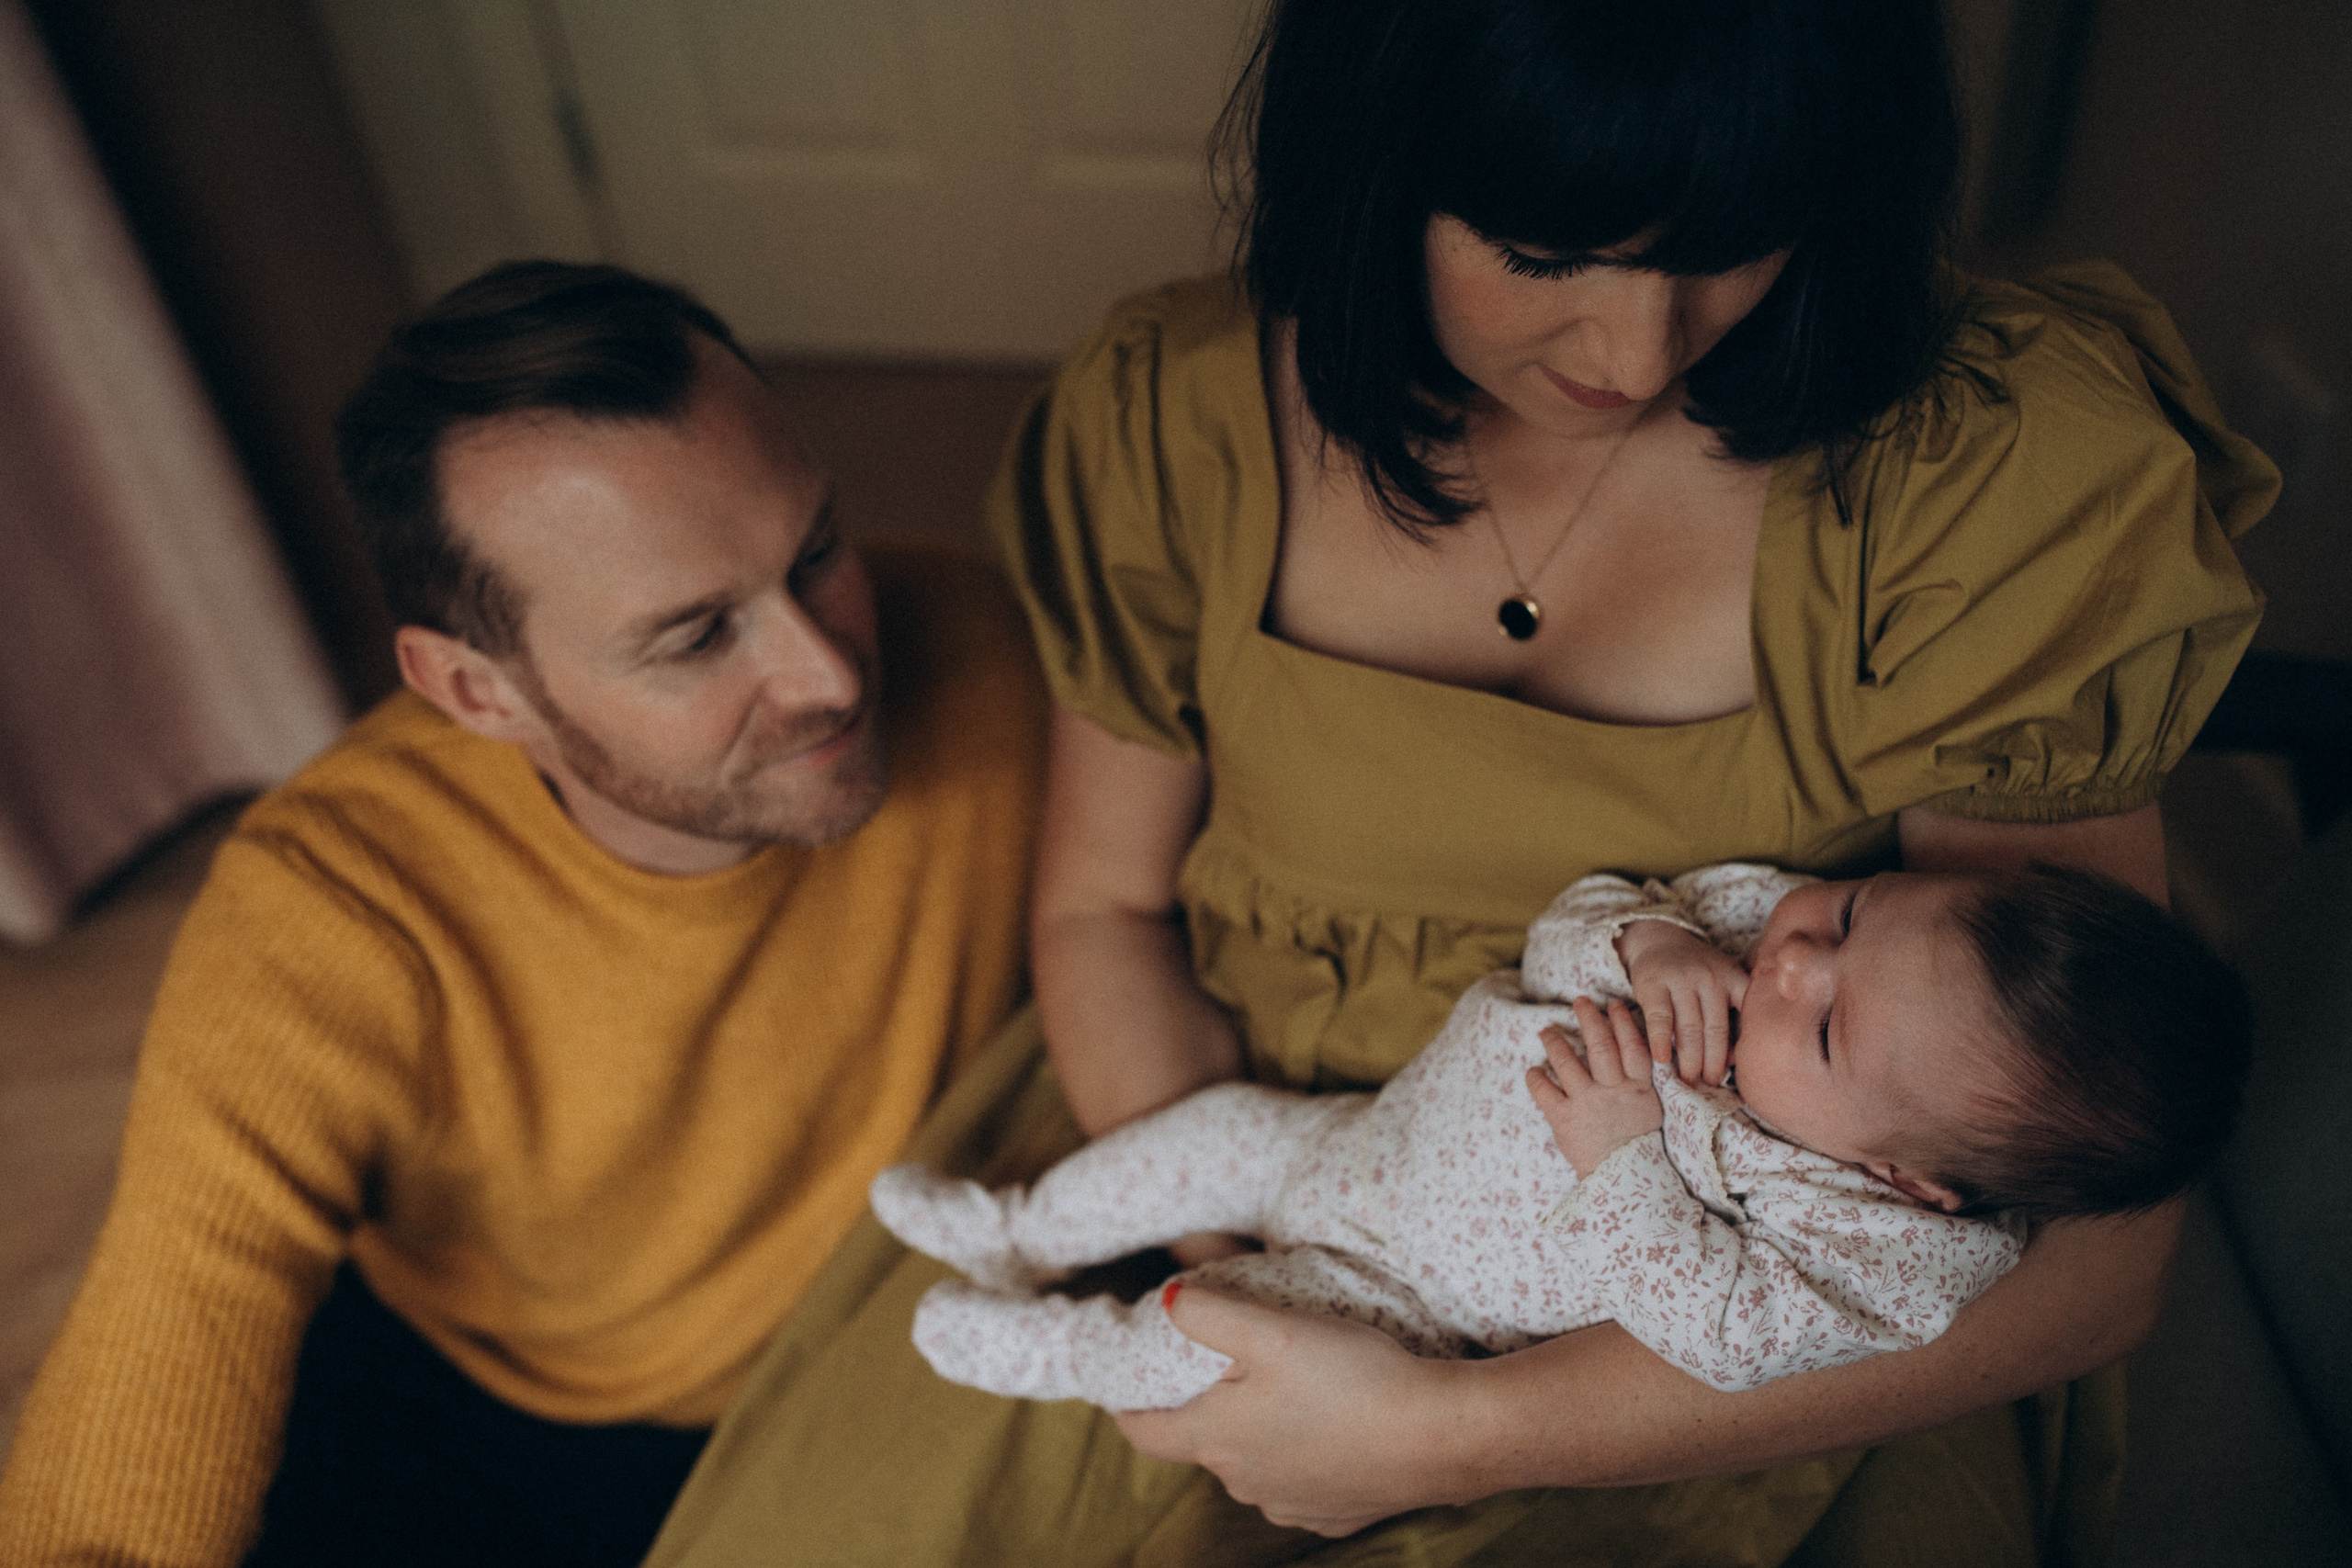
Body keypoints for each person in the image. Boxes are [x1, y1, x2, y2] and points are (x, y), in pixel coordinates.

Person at [638, 2, 2277, 1565]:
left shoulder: (1987, 465)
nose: (1639, 347)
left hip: (1680, 1347)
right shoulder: (1172, 422)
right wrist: (1272, 1299)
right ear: (1378, 160)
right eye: (1547, 250)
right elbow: (1106, 908)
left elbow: (2089, 1255)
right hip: (1245, 1148)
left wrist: (1449, 1430)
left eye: (1732, 235)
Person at [0, 263, 1047, 1566]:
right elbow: (180, 1300)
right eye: (696, 635)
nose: (829, 671)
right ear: (476, 691)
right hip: (485, 1412)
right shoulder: (333, 907)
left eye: (814, 550)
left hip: (855, 1380)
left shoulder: (991, 654)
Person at [873, 862, 2245, 1409]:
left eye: (1825, 1030)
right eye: (1848, 914)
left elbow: (1720, 1333)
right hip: (1344, 1141)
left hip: (1403, 1297)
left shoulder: (1877, 1246)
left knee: (1222, 1329)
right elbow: (1569, 918)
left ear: (1906, 1175)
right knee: (1204, 1134)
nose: (1790, 967)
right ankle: (1016, 1230)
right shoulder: (1741, 932)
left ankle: (1059, 1351)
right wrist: (1644, 940)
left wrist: (1626, 1155)